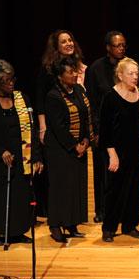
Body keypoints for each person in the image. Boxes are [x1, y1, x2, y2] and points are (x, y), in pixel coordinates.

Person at [0, 60, 43, 246]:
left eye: (12, 79)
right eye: (6, 81)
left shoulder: (22, 98)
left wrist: (36, 156)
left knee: (20, 196)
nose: (11, 83)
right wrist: (0, 151)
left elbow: (32, 130)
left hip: (21, 157)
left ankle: (17, 232)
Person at [35, 30, 88, 217]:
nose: (68, 44)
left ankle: (72, 216)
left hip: (75, 120)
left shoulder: (79, 66)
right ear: (56, 47)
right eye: (64, 41)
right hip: (55, 124)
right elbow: (40, 99)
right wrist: (43, 127)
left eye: (70, 40)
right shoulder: (48, 68)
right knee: (56, 173)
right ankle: (50, 212)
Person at [44, 56, 94, 243]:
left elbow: (87, 115)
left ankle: (71, 224)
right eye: (70, 72)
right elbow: (58, 127)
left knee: (76, 187)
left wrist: (86, 140)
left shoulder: (79, 90)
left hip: (80, 145)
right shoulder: (53, 96)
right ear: (60, 76)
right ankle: (56, 225)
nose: (74, 74)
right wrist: (75, 146)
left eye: (75, 71)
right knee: (61, 188)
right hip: (60, 149)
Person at [98, 57, 139, 243]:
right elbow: (105, 130)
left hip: (136, 151)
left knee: (135, 189)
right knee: (115, 189)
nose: (135, 77)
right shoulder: (110, 97)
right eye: (131, 73)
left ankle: (129, 225)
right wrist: (112, 154)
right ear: (120, 75)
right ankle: (109, 227)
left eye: (137, 73)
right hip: (116, 152)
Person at [86, 30, 128, 223]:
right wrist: (94, 130)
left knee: (123, 170)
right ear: (108, 48)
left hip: (123, 126)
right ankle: (102, 210)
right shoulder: (95, 69)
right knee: (103, 170)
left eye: (123, 45)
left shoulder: (128, 66)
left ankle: (120, 208)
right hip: (103, 126)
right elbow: (92, 103)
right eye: (117, 45)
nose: (121, 48)